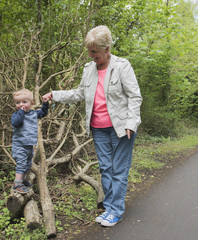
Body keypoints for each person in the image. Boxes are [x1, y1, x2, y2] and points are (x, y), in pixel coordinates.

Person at [42, 25, 142, 227]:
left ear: (107, 49)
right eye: (89, 51)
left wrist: (132, 123)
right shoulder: (89, 69)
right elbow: (79, 94)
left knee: (119, 170)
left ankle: (116, 211)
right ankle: (109, 207)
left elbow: (134, 96)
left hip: (122, 128)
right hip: (98, 128)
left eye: (94, 51)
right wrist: (56, 95)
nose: (91, 55)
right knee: (106, 169)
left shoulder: (122, 66)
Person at [11, 88, 49, 194]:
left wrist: (45, 103)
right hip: (19, 145)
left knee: (28, 164)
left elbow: (43, 113)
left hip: (29, 145)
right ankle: (17, 184)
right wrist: (22, 112)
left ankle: (22, 180)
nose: (21, 105)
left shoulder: (33, 113)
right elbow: (16, 123)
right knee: (22, 164)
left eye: (24, 102)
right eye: (18, 102)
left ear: (31, 103)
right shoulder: (16, 115)